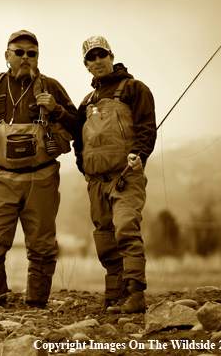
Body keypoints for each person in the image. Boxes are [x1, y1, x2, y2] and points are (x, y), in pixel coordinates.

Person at [0, 30, 79, 309]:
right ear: (7, 56)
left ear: (37, 57)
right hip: (1, 176)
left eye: (32, 53)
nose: (25, 58)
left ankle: (37, 304)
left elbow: (77, 125)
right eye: (19, 52)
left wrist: (57, 111)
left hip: (43, 177)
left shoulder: (51, 87)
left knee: (42, 246)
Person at [73, 36, 156, 314]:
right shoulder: (86, 101)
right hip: (96, 182)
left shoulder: (134, 89)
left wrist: (139, 155)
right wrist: (83, 165)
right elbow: (78, 140)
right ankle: (114, 294)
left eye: (101, 55)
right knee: (105, 237)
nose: (97, 61)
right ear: (85, 64)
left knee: (126, 229)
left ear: (111, 56)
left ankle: (135, 294)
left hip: (126, 177)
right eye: (91, 58)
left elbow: (146, 127)